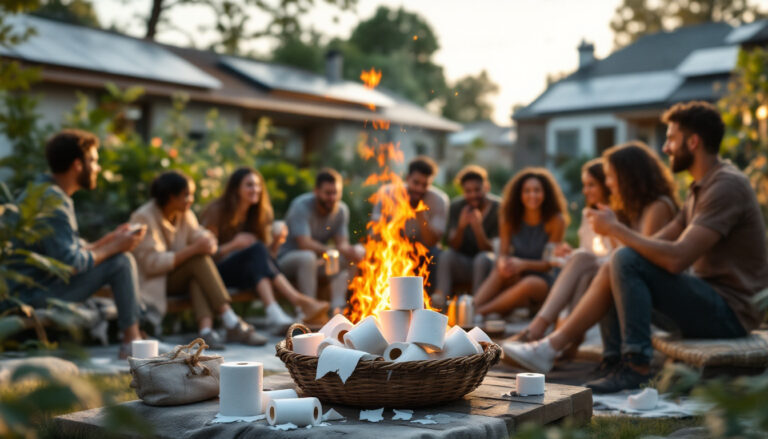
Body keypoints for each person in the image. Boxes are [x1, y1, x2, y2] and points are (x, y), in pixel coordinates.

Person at [584, 102, 768, 392]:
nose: (666, 148)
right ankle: (615, 362)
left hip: (731, 313)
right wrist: (615, 240)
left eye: (670, 139)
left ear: (693, 142)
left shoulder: (726, 187)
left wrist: (617, 230)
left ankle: (636, 367)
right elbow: (657, 243)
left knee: (625, 260)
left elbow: (676, 260)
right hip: (706, 301)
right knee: (618, 262)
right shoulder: (700, 187)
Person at [502, 140, 684, 391]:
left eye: (611, 177)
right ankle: (541, 336)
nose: (609, 184)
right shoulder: (637, 209)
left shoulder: (658, 207)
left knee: (605, 266)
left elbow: (640, 259)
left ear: (628, 176)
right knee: (582, 258)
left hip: (662, 300)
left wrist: (612, 229)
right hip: (639, 289)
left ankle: (549, 344)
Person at [10, 129, 146, 358]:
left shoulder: (44, 191)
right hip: (31, 297)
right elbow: (71, 264)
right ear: (77, 165)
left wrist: (110, 239)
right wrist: (115, 247)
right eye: (93, 160)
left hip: (31, 289)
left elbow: (66, 251)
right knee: (121, 261)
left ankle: (135, 337)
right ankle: (132, 342)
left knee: (118, 256)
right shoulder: (53, 202)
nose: (98, 167)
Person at [131, 171, 267, 348]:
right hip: (155, 282)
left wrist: (207, 240)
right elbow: (151, 264)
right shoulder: (144, 217)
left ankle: (206, 332)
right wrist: (194, 249)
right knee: (197, 258)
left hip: (178, 276)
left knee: (198, 268)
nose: (191, 199)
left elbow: (198, 233)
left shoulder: (183, 213)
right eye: (186, 195)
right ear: (171, 197)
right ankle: (231, 320)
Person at [201, 167, 330, 328]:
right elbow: (205, 254)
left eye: (258, 185)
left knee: (258, 251)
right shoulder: (217, 211)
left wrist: (277, 242)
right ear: (236, 189)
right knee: (257, 249)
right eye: (249, 185)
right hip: (217, 274)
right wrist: (233, 245)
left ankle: (276, 312)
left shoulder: (260, 213)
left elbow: (269, 258)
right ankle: (297, 302)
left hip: (247, 273)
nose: (255, 189)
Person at [510, 159, 613, 344]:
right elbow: (588, 251)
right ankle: (557, 341)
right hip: (590, 268)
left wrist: (578, 255)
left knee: (582, 275)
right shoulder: (588, 214)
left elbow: (613, 255)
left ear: (606, 185)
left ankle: (549, 337)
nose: (585, 191)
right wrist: (569, 253)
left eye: (591, 185)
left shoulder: (616, 216)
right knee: (580, 269)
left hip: (606, 271)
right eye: (584, 185)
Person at [472, 168, 568, 316]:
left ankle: (479, 312)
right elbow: (503, 253)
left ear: (546, 193)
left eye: (537, 190)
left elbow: (549, 264)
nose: (532, 195)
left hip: (543, 280)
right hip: (516, 272)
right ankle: (471, 308)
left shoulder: (555, 220)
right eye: (527, 191)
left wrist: (523, 264)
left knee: (528, 283)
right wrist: (503, 262)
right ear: (519, 194)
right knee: (500, 271)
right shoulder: (509, 217)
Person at [277, 169, 364, 310]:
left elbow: (341, 244)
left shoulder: (341, 210)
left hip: (318, 262)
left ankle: (338, 307)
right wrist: (331, 250)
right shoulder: (301, 206)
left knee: (353, 256)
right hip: (287, 260)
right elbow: (304, 243)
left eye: (336, 193)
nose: (332, 198)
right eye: (328, 193)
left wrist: (353, 251)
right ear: (316, 191)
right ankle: (309, 310)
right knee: (308, 257)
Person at [371, 156, 449, 290]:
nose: (419, 189)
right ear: (407, 178)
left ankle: (430, 303)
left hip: (425, 250)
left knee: (437, 255)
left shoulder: (439, 200)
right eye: (416, 183)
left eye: (425, 185)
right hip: (393, 247)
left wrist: (420, 215)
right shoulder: (387, 193)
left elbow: (432, 241)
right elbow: (374, 234)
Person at [432, 165, 501, 307]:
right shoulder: (457, 206)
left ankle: (475, 305)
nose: (473, 195)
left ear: (486, 187)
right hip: (463, 263)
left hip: (488, 265)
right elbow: (452, 245)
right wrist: (461, 227)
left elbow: (492, 249)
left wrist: (478, 229)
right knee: (446, 255)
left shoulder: (498, 208)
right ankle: (440, 302)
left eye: (477, 190)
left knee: (481, 259)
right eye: (468, 191)